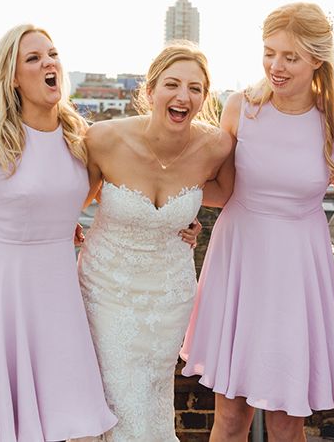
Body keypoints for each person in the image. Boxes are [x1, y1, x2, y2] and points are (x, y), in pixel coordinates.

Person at [181, 2, 334, 442]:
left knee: (285, 423)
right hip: (238, 258)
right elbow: (212, 185)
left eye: (290, 57)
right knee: (229, 416)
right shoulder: (241, 109)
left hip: (298, 271)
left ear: (317, 59)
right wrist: (175, 213)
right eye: (269, 53)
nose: (275, 67)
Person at [0, 23, 117, 442]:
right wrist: (7, 223)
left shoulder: (82, 137)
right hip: (2, 289)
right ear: (13, 76)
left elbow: (89, 198)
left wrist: (185, 221)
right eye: (33, 58)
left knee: (66, 418)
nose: (49, 63)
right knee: (3, 423)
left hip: (61, 291)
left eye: (52, 54)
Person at [76, 41, 232, 442]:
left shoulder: (216, 146)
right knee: (113, 391)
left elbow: (227, 196)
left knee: (150, 392)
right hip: (105, 287)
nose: (184, 96)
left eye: (195, 89)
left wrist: (186, 218)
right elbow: (69, 201)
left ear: (204, 98)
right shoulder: (103, 139)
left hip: (170, 293)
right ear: (150, 90)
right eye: (173, 84)